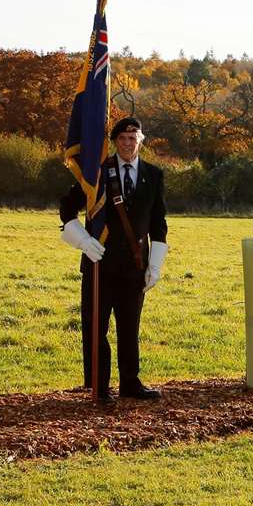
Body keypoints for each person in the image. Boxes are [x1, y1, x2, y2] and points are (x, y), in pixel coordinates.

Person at [59, 117, 168, 402]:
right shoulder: (97, 172)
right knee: (97, 326)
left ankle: (131, 383)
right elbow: (66, 209)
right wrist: (83, 241)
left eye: (133, 139)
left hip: (135, 265)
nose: (128, 144)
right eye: (122, 139)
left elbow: (159, 223)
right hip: (100, 262)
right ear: (115, 141)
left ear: (140, 141)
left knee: (130, 326)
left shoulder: (153, 175)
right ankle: (100, 385)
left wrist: (155, 264)